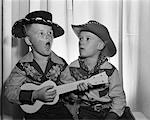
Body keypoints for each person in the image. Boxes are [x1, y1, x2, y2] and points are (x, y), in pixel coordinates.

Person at [4, 10, 75, 120]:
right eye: (41, 33)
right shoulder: (23, 65)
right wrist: (34, 95)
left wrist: (75, 92)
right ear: (28, 40)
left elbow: (70, 85)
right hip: (35, 114)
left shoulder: (61, 64)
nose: (47, 37)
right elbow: (10, 92)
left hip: (58, 111)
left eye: (50, 33)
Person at [68, 20, 135, 120]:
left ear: (100, 45)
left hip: (110, 109)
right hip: (87, 111)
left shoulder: (110, 71)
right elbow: (68, 97)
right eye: (80, 38)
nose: (81, 41)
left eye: (87, 39)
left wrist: (112, 115)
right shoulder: (73, 68)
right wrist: (76, 93)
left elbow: (118, 98)